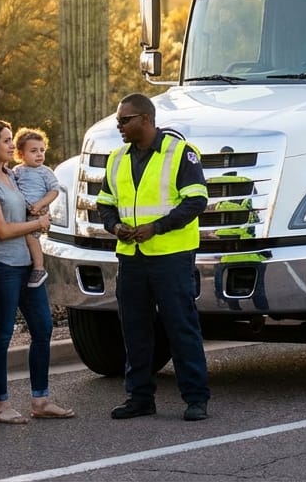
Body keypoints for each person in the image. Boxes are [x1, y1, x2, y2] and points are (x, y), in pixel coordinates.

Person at [95, 93, 211, 421]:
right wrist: (114, 225)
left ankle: (196, 398)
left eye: (125, 120)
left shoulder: (180, 154)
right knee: (134, 328)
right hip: (131, 256)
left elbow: (196, 201)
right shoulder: (117, 158)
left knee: (180, 326)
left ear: (146, 119)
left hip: (171, 256)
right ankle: (140, 397)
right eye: (118, 120)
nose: (119, 125)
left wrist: (157, 227)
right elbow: (104, 202)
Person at [0, 120, 75, 424]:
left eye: (10, 141)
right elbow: (2, 230)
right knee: (2, 335)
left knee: (43, 329)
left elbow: (39, 199)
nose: (9, 145)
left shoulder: (13, 176)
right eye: (5, 141)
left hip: (29, 265)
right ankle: (0, 405)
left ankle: (40, 400)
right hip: (3, 266)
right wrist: (39, 224)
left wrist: (41, 210)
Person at [11, 127, 58, 288]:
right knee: (23, 236)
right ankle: (31, 263)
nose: (39, 154)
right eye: (33, 151)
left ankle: (39, 268)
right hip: (22, 212)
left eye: (42, 150)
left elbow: (54, 191)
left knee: (31, 237)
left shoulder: (45, 172)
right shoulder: (17, 171)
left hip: (38, 213)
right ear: (21, 154)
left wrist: (41, 204)